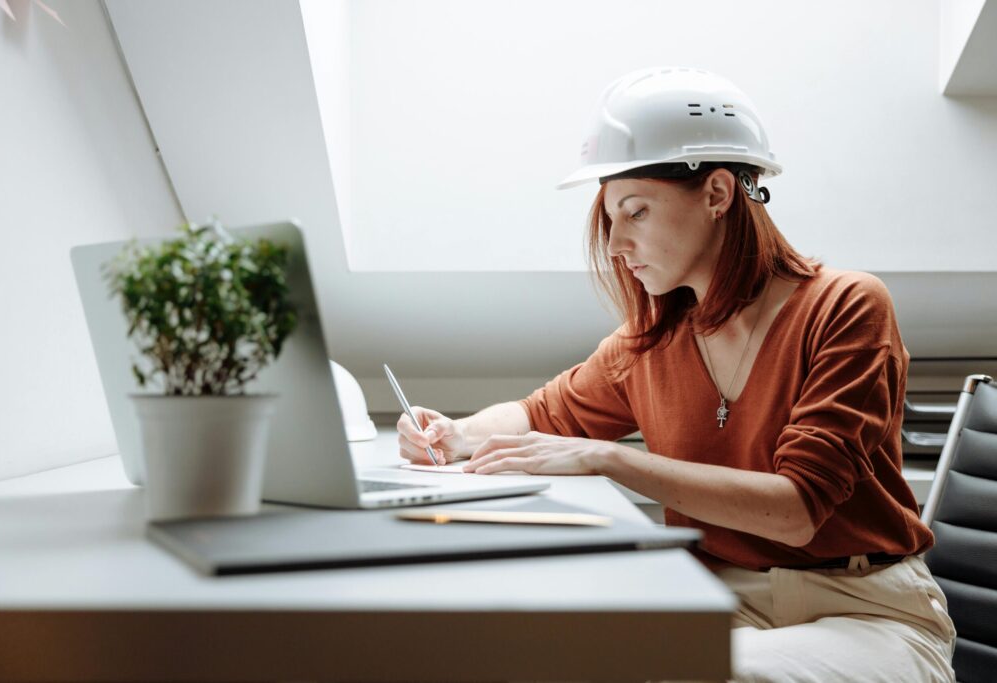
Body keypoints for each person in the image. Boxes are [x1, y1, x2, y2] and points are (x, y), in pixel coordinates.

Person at [396, 66, 956, 682]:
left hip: (865, 611)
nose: (614, 244)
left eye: (635, 212)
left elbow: (798, 510)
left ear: (718, 194)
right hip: (719, 602)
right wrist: (456, 432)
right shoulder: (650, 342)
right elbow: (541, 414)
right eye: (610, 218)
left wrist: (607, 458)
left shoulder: (846, 306)